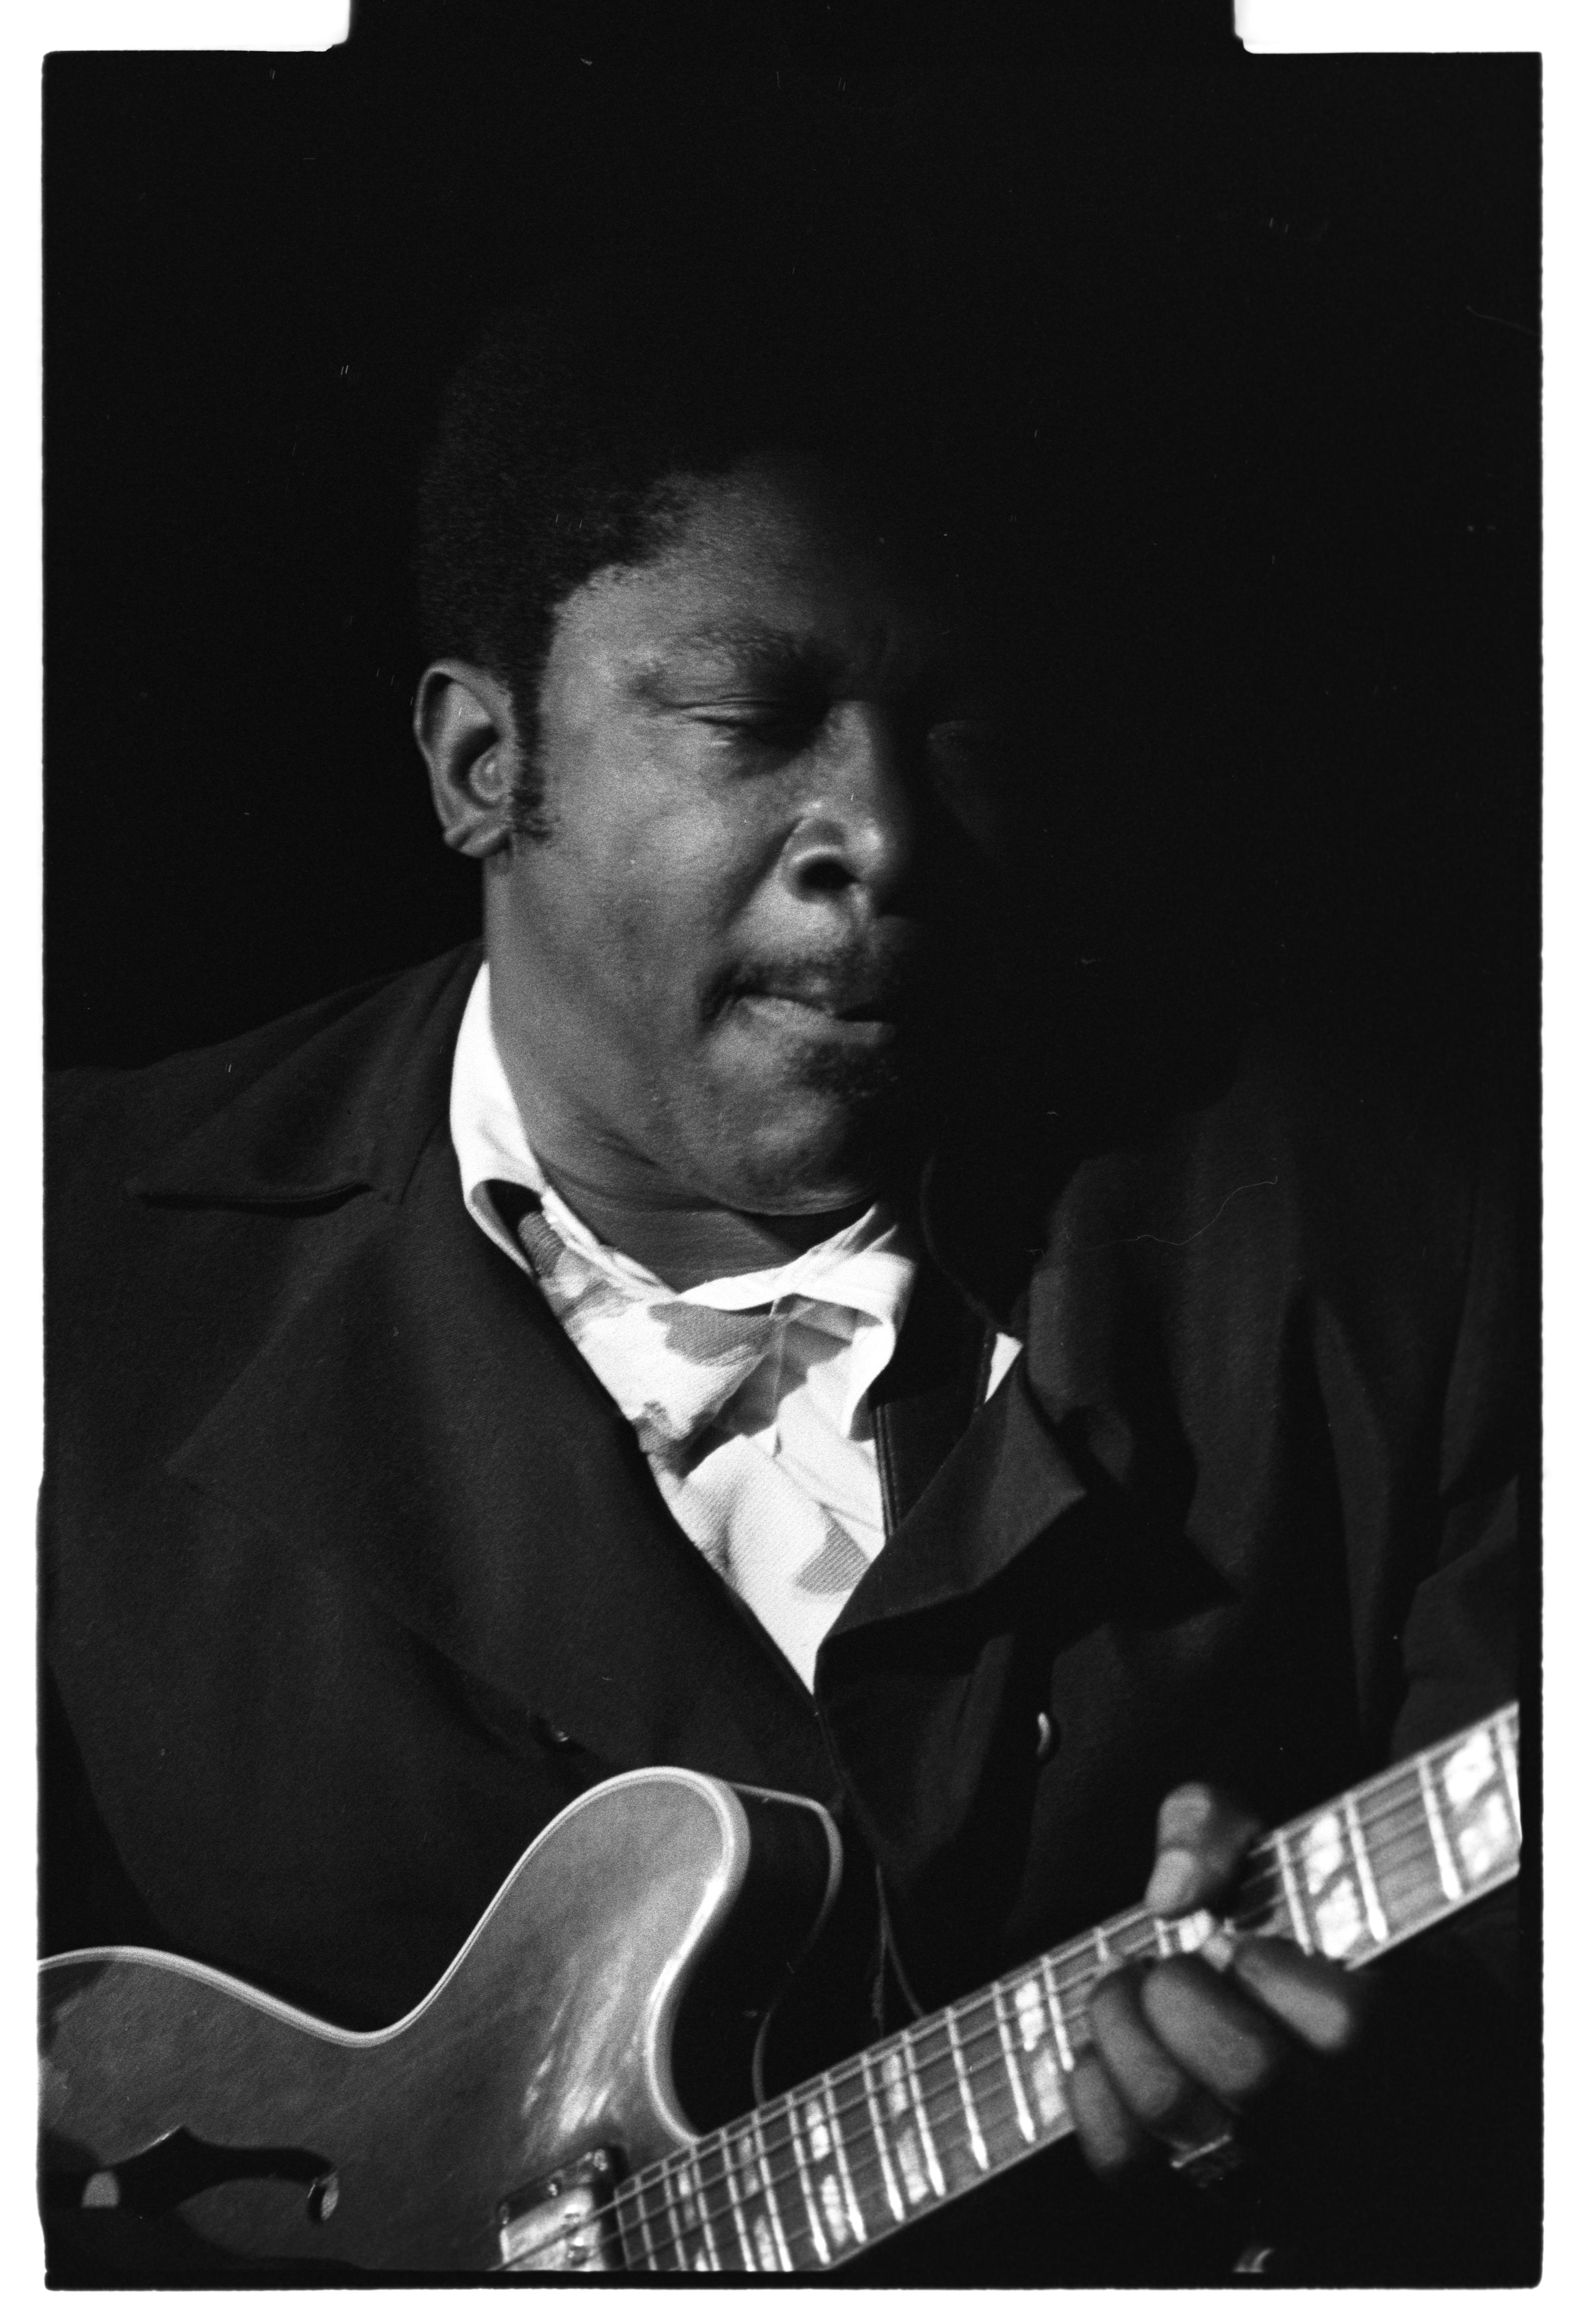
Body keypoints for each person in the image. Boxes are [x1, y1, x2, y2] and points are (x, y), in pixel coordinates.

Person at [42, 293, 1527, 2285]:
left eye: (960, 730)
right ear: (485, 761)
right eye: (749, 724)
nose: (887, 842)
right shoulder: (62, 1269)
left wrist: (1349, 2150)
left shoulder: (1393, 1255)